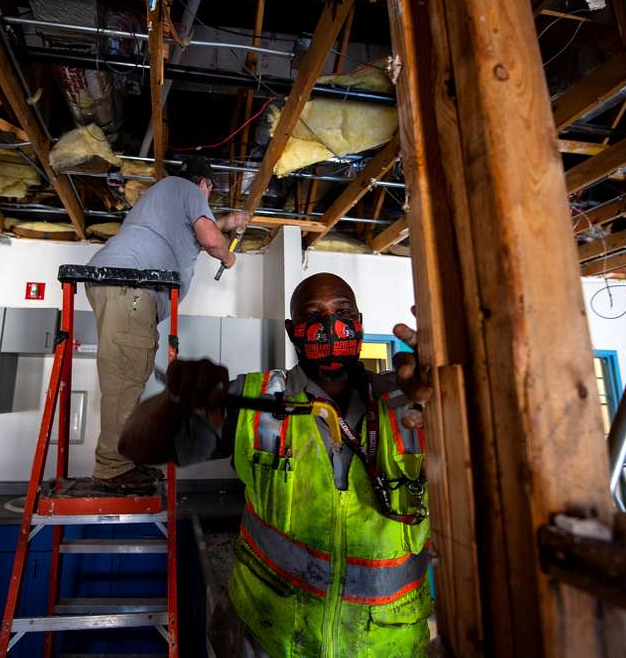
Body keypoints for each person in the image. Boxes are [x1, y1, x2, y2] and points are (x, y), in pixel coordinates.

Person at [119, 273, 434, 657]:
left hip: (388, 646)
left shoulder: (411, 404)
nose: (330, 325)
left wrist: (448, 388)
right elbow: (135, 445)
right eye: (313, 314)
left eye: (343, 313)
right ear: (292, 329)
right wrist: (175, 400)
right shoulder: (254, 398)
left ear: (361, 324)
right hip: (266, 639)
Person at [86, 155, 249, 494]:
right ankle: (112, 468)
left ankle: (119, 464)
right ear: (204, 185)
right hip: (131, 285)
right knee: (126, 377)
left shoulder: (167, 197)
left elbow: (196, 227)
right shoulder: (188, 190)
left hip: (125, 285)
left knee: (127, 374)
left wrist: (231, 220)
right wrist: (228, 256)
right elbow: (209, 237)